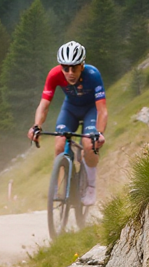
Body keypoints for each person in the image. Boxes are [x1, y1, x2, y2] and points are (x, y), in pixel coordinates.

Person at [27, 41, 107, 206]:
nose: (70, 73)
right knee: (59, 144)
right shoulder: (54, 74)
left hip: (91, 110)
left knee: (88, 144)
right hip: (70, 109)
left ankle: (91, 186)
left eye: (74, 68)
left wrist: (99, 133)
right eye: (65, 68)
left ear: (82, 66)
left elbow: (102, 110)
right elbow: (44, 105)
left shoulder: (93, 75)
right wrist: (36, 126)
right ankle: (57, 186)